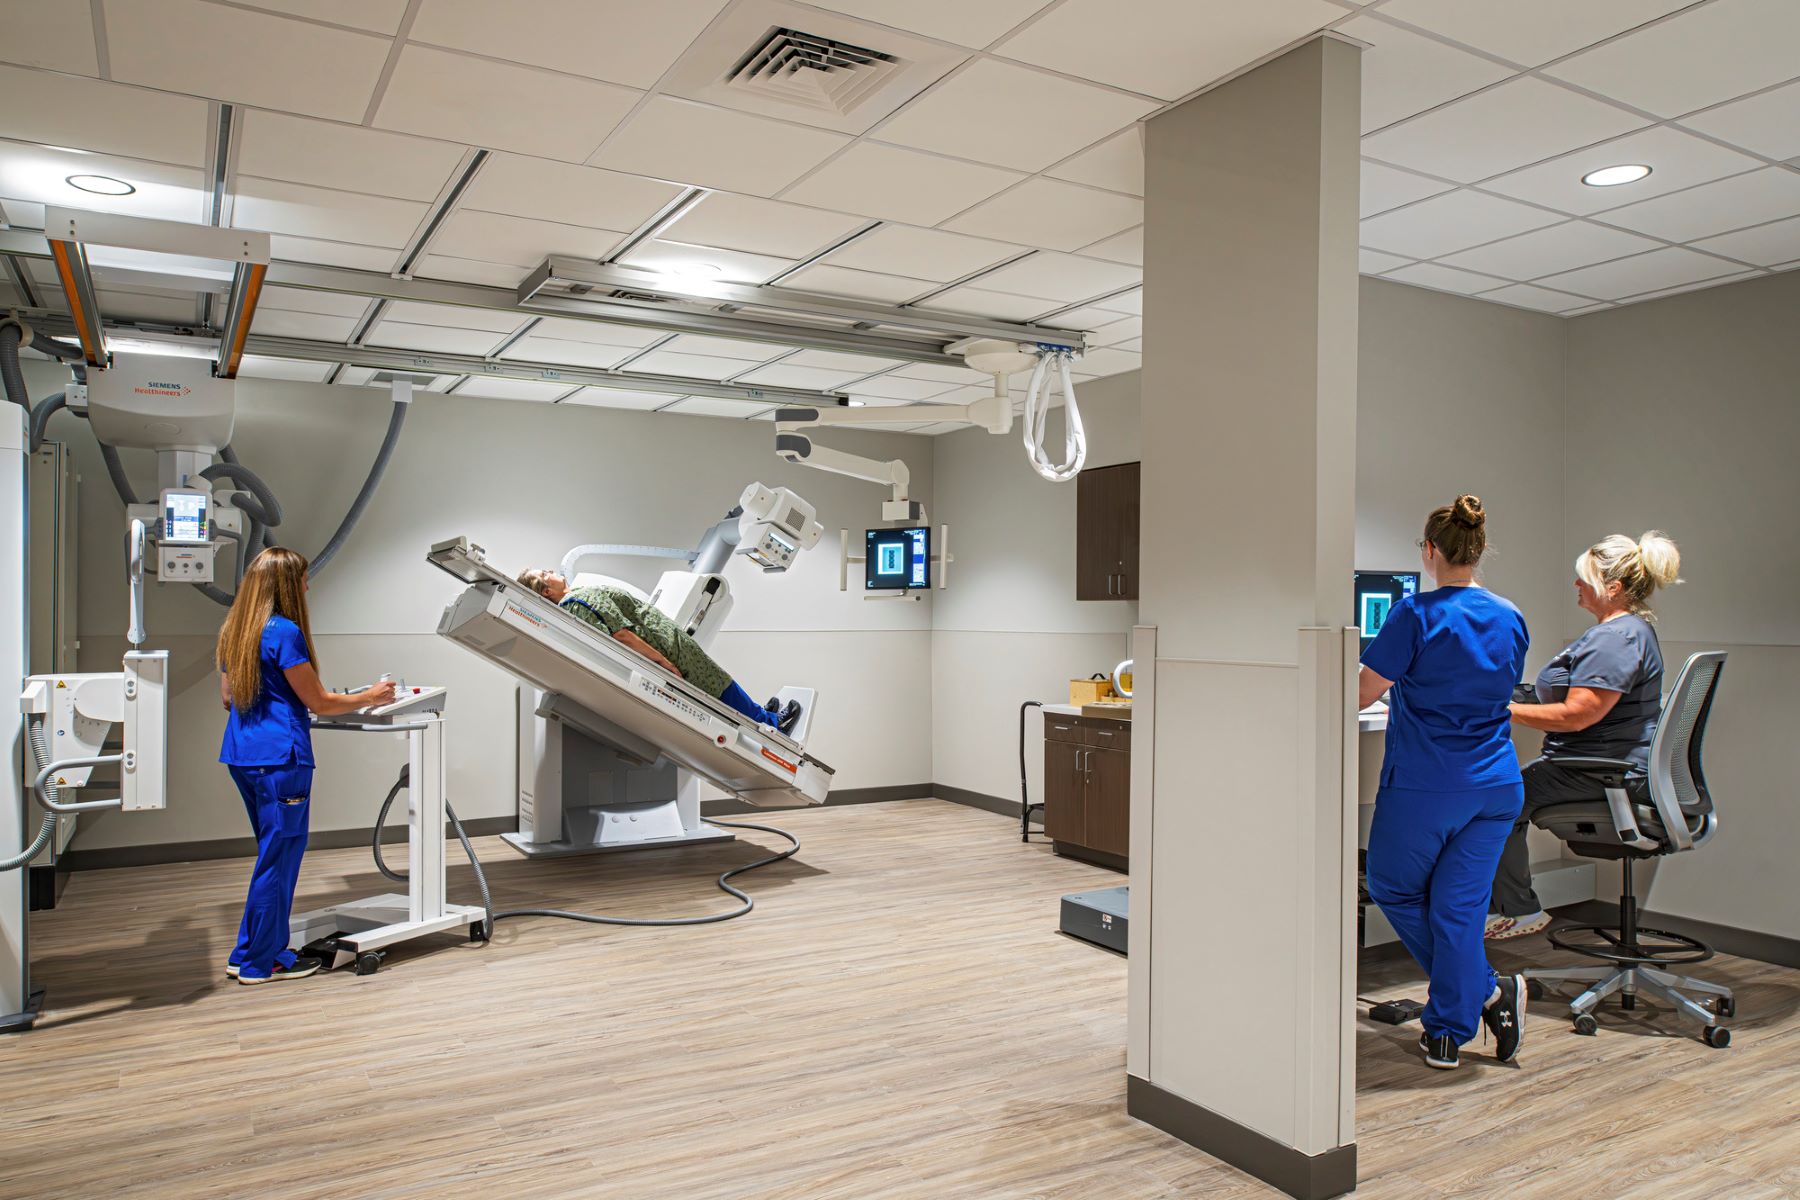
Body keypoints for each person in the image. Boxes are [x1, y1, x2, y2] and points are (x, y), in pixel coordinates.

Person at [1359, 495, 1530, 1070]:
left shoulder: (1414, 614)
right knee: (1457, 911)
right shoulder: (1511, 616)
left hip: (1429, 786)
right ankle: (1453, 1025)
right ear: (1478, 551)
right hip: (1496, 786)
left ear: (1430, 552)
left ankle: (1478, 994)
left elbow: (1361, 692)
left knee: (1392, 886)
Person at [1486, 532, 1682, 941]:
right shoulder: (1627, 631)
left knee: (1495, 801)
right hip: (1608, 766)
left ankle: (1516, 910)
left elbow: (1577, 715)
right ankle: (1506, 905)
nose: (1576, 584)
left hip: (1598, 772)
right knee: (1499, 795)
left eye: (1583, 578)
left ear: (1613, 587)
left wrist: (1500, 710)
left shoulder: (1616, 638)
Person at [216, 547, 395, 985]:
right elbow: (319, 701)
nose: (307, 586)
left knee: (270, 857)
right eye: (302, 579)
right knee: (279, 862)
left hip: (243, 756)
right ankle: (263, 963)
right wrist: (371, 696)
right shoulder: (284, 632)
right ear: (285, 585)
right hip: (282, 760)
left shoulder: (234, 631)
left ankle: (246, 953)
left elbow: (227, 698)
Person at [516, 569, 802, 735]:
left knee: (717, 681)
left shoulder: (575, 602)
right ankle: (772, 724)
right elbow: (622, 635)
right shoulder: (579, 600)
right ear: (545, 592)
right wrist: (663, 662)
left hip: (665, 644)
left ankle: (761, 713)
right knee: (716, 685)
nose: (552, 572)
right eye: (545, 574)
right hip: (666, 649)